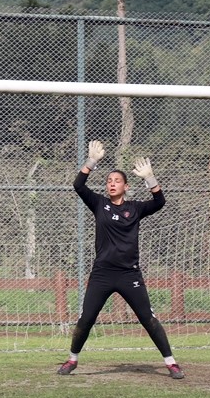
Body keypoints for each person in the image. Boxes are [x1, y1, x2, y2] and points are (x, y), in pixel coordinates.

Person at [57, 140, 184, 379]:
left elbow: (159, 202)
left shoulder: (135, 208)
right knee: (86, 319)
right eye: (109, 180)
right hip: (102, 274)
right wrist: (91, 161)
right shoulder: (99, 204)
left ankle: (171, 363)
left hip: (129, 274)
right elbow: (78, 185)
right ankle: (72, 360)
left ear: (126, 186)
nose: (112, 183)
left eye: (117, 181)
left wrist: (150, 178)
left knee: (148, 319)